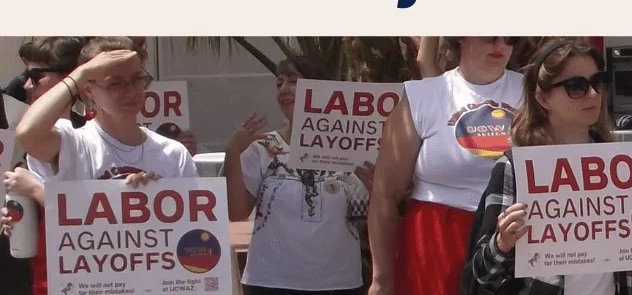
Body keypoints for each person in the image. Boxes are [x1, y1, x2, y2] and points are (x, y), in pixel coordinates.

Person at [9, 36, 198, 295]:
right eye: (116, 84)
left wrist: (157, 202)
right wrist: (84, 71)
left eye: (137, 80)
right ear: (88, 90)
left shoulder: (173, 153)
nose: (131, 92)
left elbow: (193, 237)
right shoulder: (72, 141)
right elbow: (27, 133)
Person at [462, 39, 632, 295]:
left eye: (598, 81)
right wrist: (502, 243)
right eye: (576, 86)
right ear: (543, 99)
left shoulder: (621, 167)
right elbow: (481, 274)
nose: (593, 94)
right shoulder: (517, 169)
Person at [368, 37, 524, 295]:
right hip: (436, 241)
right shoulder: (423, 96)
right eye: (489, 35)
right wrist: (381, 279)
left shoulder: (534, 92)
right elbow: (385, 194)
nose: (500, 44)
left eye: (510, 38)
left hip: (511, 239)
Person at [222, 56, 375, 295]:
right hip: (270, 282)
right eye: (279, 83)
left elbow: (368, 218)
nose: (283, 89)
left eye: (293, 81)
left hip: (340, 282)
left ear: (321, 89)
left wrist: (378, 190)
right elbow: (237, 212)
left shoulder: (353, 147)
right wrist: (232, 153)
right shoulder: (263, 147)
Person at [1, 36, 89, 295]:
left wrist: (36, 190)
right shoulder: (16, 131)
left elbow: (99, 214)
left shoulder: (95, 134)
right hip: (35, 277)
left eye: (37, 75)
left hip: (85, 278)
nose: (27, 85)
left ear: (71, 78)